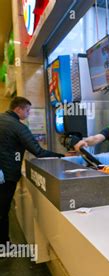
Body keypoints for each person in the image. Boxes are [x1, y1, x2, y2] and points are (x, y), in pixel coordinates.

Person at [0, 97, 64, 246]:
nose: (28, 114)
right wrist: (62, 156)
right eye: (27, 110)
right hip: (7, 175)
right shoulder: (18, 127)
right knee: (2, 211)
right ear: (19, 109)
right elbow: (38, 152)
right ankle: (3, 245)